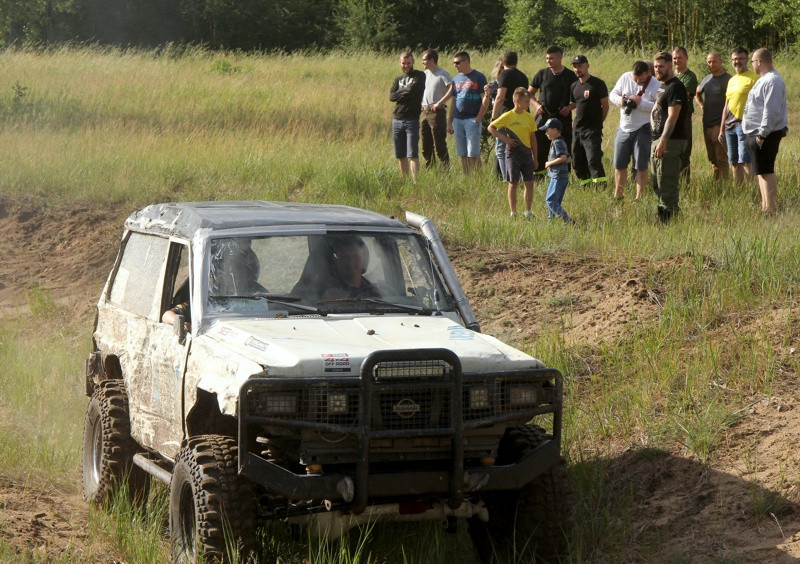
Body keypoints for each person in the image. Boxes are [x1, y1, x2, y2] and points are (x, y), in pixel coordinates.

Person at [742, 48, 788, 214]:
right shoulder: (764, 79)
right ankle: (765, 207)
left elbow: (771, 110)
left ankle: (771, 209)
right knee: (760, 172)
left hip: (765, 135)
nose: (752, 64)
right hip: (756, 134)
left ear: (759, 62)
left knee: (766, 171)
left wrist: (762, 135)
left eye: (752, 61)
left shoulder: (772, 81)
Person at [609, 61, 661, 200]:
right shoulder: (625, 77)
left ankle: (639, 198)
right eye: (635, 78)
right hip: (624, 127)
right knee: (619, 164)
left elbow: (657, 107)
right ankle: (618, 195)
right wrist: (621, 100)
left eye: (641, 79)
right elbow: (612, 94)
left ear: (648, 74)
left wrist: (640, 103)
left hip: (643, 127)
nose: (638, 81)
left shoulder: (655, 84)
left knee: (641, 165)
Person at [528, 45, 578, 182]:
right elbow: (528, 93)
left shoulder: (570, 76)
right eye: (547, 58)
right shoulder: (541, 74)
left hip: (563, 120)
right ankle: (538, 177)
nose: (548, 61)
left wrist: (569, 107)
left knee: (563, 148)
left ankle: (563, 178)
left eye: (551, 58)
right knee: (540, 148)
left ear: (560, 58)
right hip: (543, 119)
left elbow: (579, 99)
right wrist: (536, 105)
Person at [433, 51, 488, 173]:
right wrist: (449, 122)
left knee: (473, 154)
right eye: (454, 63)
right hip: (458, 120)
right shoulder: (456, 79)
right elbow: (453, 100)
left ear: (466, 61)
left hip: (472, 119)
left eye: (457, 63)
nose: (455, 65)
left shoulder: (479, 77)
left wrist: (479, 118)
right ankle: (467, 178)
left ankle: (477, 180)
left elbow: (485, 99)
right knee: (462, 153)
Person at [488, 88, 539, 219]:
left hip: (526, 153)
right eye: (527, 101)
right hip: (512, 153)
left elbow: (533, 139)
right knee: (513, 182)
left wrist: (535, 158)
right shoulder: (508, 115)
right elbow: (491, 127)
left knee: (529, 183)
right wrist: (505, 139)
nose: (529, 104)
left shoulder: (529, 117)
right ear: (517, 101)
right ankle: (513, 212)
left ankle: (528, 211)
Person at [650, 51, 688, 222]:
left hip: (671, 141)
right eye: (656, 66)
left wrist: (663, 140)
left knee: (667, 183)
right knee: (656, 182)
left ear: (670, 66)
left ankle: (670, 219)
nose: (657, 69)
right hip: (657, 139)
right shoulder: (663, 85)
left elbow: (673, 116)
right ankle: (662, 217)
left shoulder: (675, 87)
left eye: (661, 66)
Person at [718, 47, 759, 184]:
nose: (737, 62)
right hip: (729, 126)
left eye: (740, 58)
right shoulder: (732, 80)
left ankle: (751, 191)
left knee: (745, 161)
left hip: (745, 125)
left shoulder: (754, 79)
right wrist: (722, 128)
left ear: (747, 60)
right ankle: (739, 191)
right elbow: (726, 105)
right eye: (734, 59)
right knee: (734, 162)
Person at [568, 55, 609, 188]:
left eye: (580, 65)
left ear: (587, 66)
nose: (577, 69)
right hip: (577, 129)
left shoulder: (598, 84)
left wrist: (599, 124)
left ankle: (601, 186)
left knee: (593, 159)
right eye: (575, 66)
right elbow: (575, 104)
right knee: (577, 160)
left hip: (592, 130)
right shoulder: (574, 85)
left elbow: (605, 105)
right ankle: (585, 186)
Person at [491, 51, 529, 183]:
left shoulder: (505, 74)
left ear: (503, 62)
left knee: (502, 149)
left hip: (507, 114)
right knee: (520, 147)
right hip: (521, 115)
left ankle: (507, 179)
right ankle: (522, 177)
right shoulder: (523, 76)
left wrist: (494, 117)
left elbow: (500, 96)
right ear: (516, 61)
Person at [389, 51, 426, 181]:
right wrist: (405, 92)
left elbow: (413, 90)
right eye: (403, 63)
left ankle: (416, 182)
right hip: (397, 119)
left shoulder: (420, 75)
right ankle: (404, 180)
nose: (406, 66)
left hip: (412, 119)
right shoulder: (398, 79)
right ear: (400, 63)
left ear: (413, 62)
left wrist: (401, 93)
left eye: (408, 63)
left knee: (413, 153)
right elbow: (391, 97)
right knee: (400, 154)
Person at [695, 52, 731, 180]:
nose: (711, 64)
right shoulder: (707, 78)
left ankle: (724, 185)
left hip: (719, 123)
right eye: (709, 62)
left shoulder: (728, 79)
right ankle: (716, 183)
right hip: (707, 123)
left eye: (714, 61)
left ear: (721, 61)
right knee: (712, 158)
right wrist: (702, 106)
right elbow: (697, 92)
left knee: (721, 158)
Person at [420, 49, 451, 169]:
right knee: (425, 144)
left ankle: (445, 171)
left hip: (437, 112)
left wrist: (440, 102)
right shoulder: (425, 74)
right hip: (424, 111)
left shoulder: (442, 73)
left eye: (424, 60)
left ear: (432, 60)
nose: (422, 62)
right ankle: (430, 169)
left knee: (439, 144)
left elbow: (452, 89)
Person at [672, 47, 698, 182]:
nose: (677, 61)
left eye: (679, 57)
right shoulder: (670, 74)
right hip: (669, 119)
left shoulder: (690, 77)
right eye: (674, 58)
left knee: (684, 152)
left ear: (686, 58)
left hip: (683, 119)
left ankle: (684, 183)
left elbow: (683, 97)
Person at [541, 118, 572, 223]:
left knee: (550, 200)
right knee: (555, 200)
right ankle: (551, 222)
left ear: (555, 130)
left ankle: (566, 220)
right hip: (558, 175)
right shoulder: (560, 141)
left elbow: (563, 158)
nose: (545, 133)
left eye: (547, 130)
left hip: (557, 176)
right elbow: (569, 159)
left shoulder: (557, 143)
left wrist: (549, 163)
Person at [482, 59, 505, 178]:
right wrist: (486, 94)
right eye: (501, 68)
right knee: (499, 147)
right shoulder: (492, 85)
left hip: (509, 118)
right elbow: (485, 104)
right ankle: (499, 174)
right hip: (497, 118)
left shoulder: (510, 82)